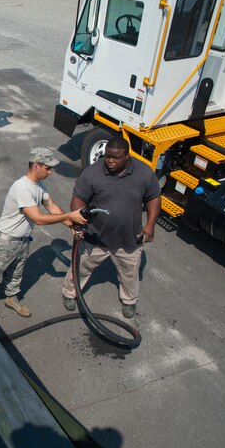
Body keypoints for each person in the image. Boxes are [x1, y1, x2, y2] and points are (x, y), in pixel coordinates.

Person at [0, 148, 87, 317]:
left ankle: (11, 297)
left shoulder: (39, 185)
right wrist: (70, 215)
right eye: (48, 167)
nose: (51, 172)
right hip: (5, 241)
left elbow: (51, 206)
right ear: (36, 166)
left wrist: (71, 225)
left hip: (22, 241)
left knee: (16, 274)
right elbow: (38, 218)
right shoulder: (22, 187)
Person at [61, 136, 161, 318]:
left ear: (127, 157)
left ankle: (129, 301)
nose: (110, 161)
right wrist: (78, 218)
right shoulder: (92, 173)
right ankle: (70, 293)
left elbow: (154, 197)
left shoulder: (143, 173)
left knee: (129, 273)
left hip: (130, 238)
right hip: (96, 237)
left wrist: (150, 225)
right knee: (81, 266)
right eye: (107, 156)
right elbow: (78, 198)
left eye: (115, 158)